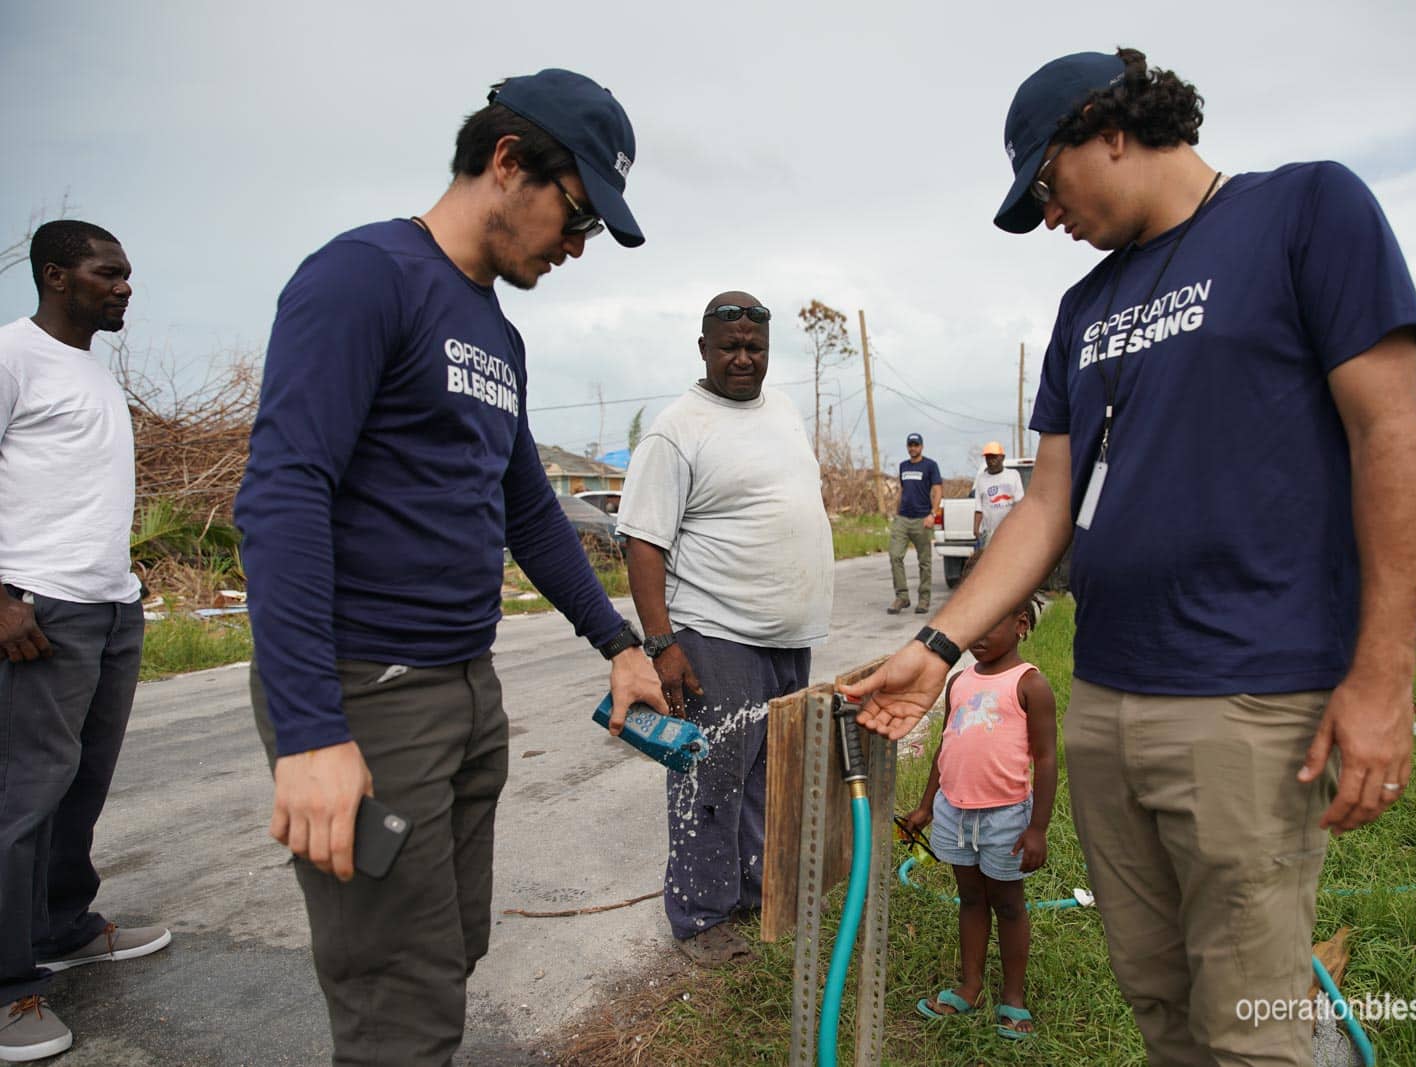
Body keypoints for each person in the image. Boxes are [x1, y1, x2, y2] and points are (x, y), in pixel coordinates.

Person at [847, 47, 1416, 1067]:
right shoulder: (1083, 306)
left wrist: (1383, 673)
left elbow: (1390, 433)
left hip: (1246, 693)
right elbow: (1047, 505)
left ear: (1109, 129)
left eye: (1047, 184)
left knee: (1250, 1023)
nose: (1049, 216)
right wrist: (935, 647)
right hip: (1108, 699)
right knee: (1159, 1000)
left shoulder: (1304, 209)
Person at [233, 71, 666, 1065]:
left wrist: (618, 642)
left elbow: (529, 509)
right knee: (400, 1004)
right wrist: (310, 731)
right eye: (577, 214)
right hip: (369, 694)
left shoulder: (495, 332)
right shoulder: (364, 277)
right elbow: (284, 492)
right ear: (508, 161)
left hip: (466, 690)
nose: (576, 246)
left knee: (449, 952)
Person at [617, 292, 833, 965]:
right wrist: (662, 645)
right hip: (715, 632)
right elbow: (642, 542)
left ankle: (754, 894)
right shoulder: (677, 429)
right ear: (703, 349)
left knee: (770, 774)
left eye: (755, 347)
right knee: (711, 777)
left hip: (786, 639)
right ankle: (701, 917)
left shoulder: (784, 410)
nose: (743, 358)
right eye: (730, 346)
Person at [0, 221, 171, 1063]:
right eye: (109, 272)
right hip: (40, 609)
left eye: (128, 273)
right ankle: (7, 987)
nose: (125, 286)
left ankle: (62, 924)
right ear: (56, 275)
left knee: (82, 783)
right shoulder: (12, 356)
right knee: (23, 796)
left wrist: (124, 588)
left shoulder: (93, 372)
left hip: (109, 606)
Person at [903, 579, 1055, 1040]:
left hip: (1005, 817)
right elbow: (945, 747)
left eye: (992, 624)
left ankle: (1013, 997)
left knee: (1008, 904)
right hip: (954, 811)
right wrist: (926, 806)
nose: (979, 636)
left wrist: (1037, 829)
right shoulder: (958, 681)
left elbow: (1047, 758)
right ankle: (969, 987)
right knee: (970, 898)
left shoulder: (1029, 684)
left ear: (1021, 624)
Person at [888, 432, 942, 614]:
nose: (913, 448)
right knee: (895, 555)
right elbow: (902, 491)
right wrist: (896, 512)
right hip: (903, 518)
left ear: (921, 447)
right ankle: (902, 597)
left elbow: (937, 490)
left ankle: (924, 600)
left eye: (916, 445)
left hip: (922, 519)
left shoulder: (930, 465)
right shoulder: (903, 466)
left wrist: (933, 514)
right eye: (910, 445)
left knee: (924, 562)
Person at [972, 441, 1025, 547]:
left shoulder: (1013, 475)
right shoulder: (981, 479)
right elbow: (979, 508)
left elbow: (1019, 504)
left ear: (1002, 458)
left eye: (994, 457)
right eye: (988, 458)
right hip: (989, 532)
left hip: (1010, 530)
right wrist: (976, 528)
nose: (991, 460)